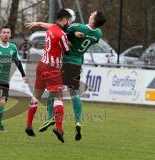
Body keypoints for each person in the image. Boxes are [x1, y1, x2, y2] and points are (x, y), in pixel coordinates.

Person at [27, 11, 106, 141]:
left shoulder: (78, 27)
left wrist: (40, 23)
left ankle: (50, 117)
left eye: (93, 13)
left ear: (93, 19)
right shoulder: (98, 33)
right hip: (77, 64)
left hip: (65, 61)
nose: (91, 13)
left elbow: (57, 29)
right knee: (74, 93)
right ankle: (78, 121)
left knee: (55, 91)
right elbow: (89, 38)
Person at [25, 9, 74, 143]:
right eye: (69, 21)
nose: (69, 23)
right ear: (64, 19)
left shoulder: (51, 28)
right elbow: (67, 51)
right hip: (52, 68)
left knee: (36, 96)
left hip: (41, 66)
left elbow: (46, 25)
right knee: (59, 98)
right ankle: (59, 128)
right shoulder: (62, 34)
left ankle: (29, 125)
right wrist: (72, 41)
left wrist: (37, 23)